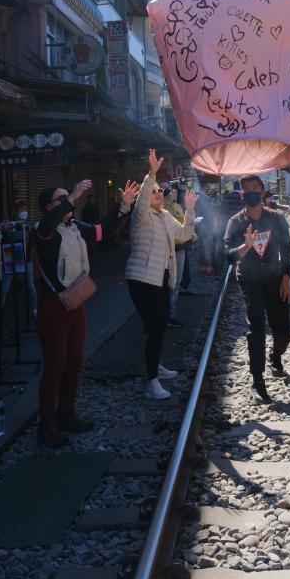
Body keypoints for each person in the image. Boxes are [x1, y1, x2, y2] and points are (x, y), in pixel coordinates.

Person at [34, 176, 139, 447]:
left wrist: (123, 207)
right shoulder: (43, 230)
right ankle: (45, 425)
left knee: (74, 363)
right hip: (53, 307)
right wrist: (72, 195)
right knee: (55, 367)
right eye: (59, 198)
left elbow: (104, 231)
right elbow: (47, 225)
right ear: (48, 207)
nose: (67, 200)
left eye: (66, 196)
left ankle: (67, 414)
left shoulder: (75, 227)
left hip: (76, 304)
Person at [125, 150, 197, 399]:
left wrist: (189, 211)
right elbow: (143, 197)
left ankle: (156, 365)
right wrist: (151, 174)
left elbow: (185, 235)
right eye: (156, 191)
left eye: (161, 191)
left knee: (161, 323)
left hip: (161, 278)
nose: (159, 194)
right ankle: (151, 382)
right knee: (155, 326)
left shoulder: (165, 216)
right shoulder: (141, 215)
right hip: (142, 279)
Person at [224, 174, 290, 403]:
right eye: (246, 189)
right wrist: (246, 246)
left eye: (255, 188)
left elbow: (287, 248)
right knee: (256, 328)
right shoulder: (235, 222)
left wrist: (285, 278)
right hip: (249, 279)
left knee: (284, 329)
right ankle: (257, 380)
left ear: (263, 192)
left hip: (274, 278)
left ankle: (276, 355)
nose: (250, 192)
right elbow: (228, 255)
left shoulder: (276, 218)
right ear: (241, 194)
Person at [163, 185, 186, 326]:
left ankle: (171, 314)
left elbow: (182, 225)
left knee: (175, 283)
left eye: (171, 190)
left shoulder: (178, 206)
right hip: (166, 250)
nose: (172, 193)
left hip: (180, 249)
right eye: (168, 191)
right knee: (165, 283)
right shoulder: (159, 208)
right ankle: (166, 314)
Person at [195, 178, 216, 275]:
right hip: (206, 227)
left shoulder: (201, 197)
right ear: (204, 187)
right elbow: (206, 213)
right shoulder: (202, 197)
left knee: (203, 247)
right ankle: (208, 267)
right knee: (207, 247)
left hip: (201, 226)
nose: (209, 188)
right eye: (208, 186)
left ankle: (203, 267)